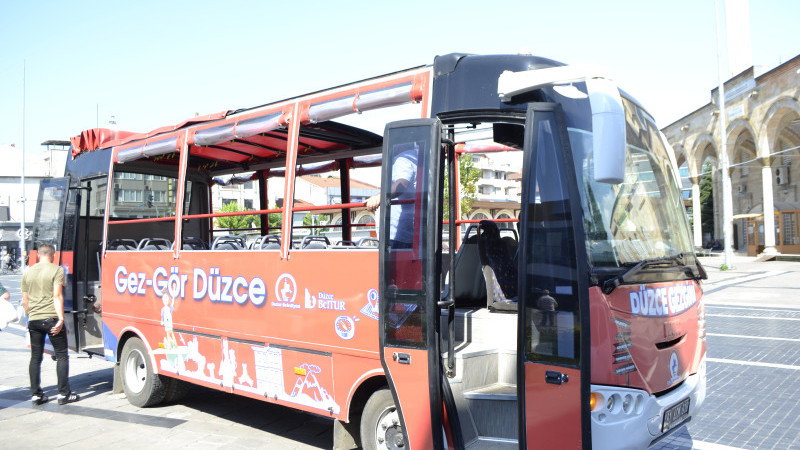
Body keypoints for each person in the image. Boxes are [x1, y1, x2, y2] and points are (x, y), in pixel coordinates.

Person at [21, 243, 79, 405]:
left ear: (38, 255)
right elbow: (57, 296)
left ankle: (36, 395)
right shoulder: (57, 270)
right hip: (51, 319)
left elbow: (25, 300)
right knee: (61, 355)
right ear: (53, 255)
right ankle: (63, 394)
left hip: (34, 320)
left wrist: (31, 316)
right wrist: (61, 319)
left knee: (35, 357)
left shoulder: (27, 272)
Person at [366, 143, 419, 249]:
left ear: (399, 145)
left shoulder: (404, 159)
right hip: (414, 229)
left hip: (397, 232)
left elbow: (400, 185)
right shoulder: (420, 158)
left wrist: (379, 197)